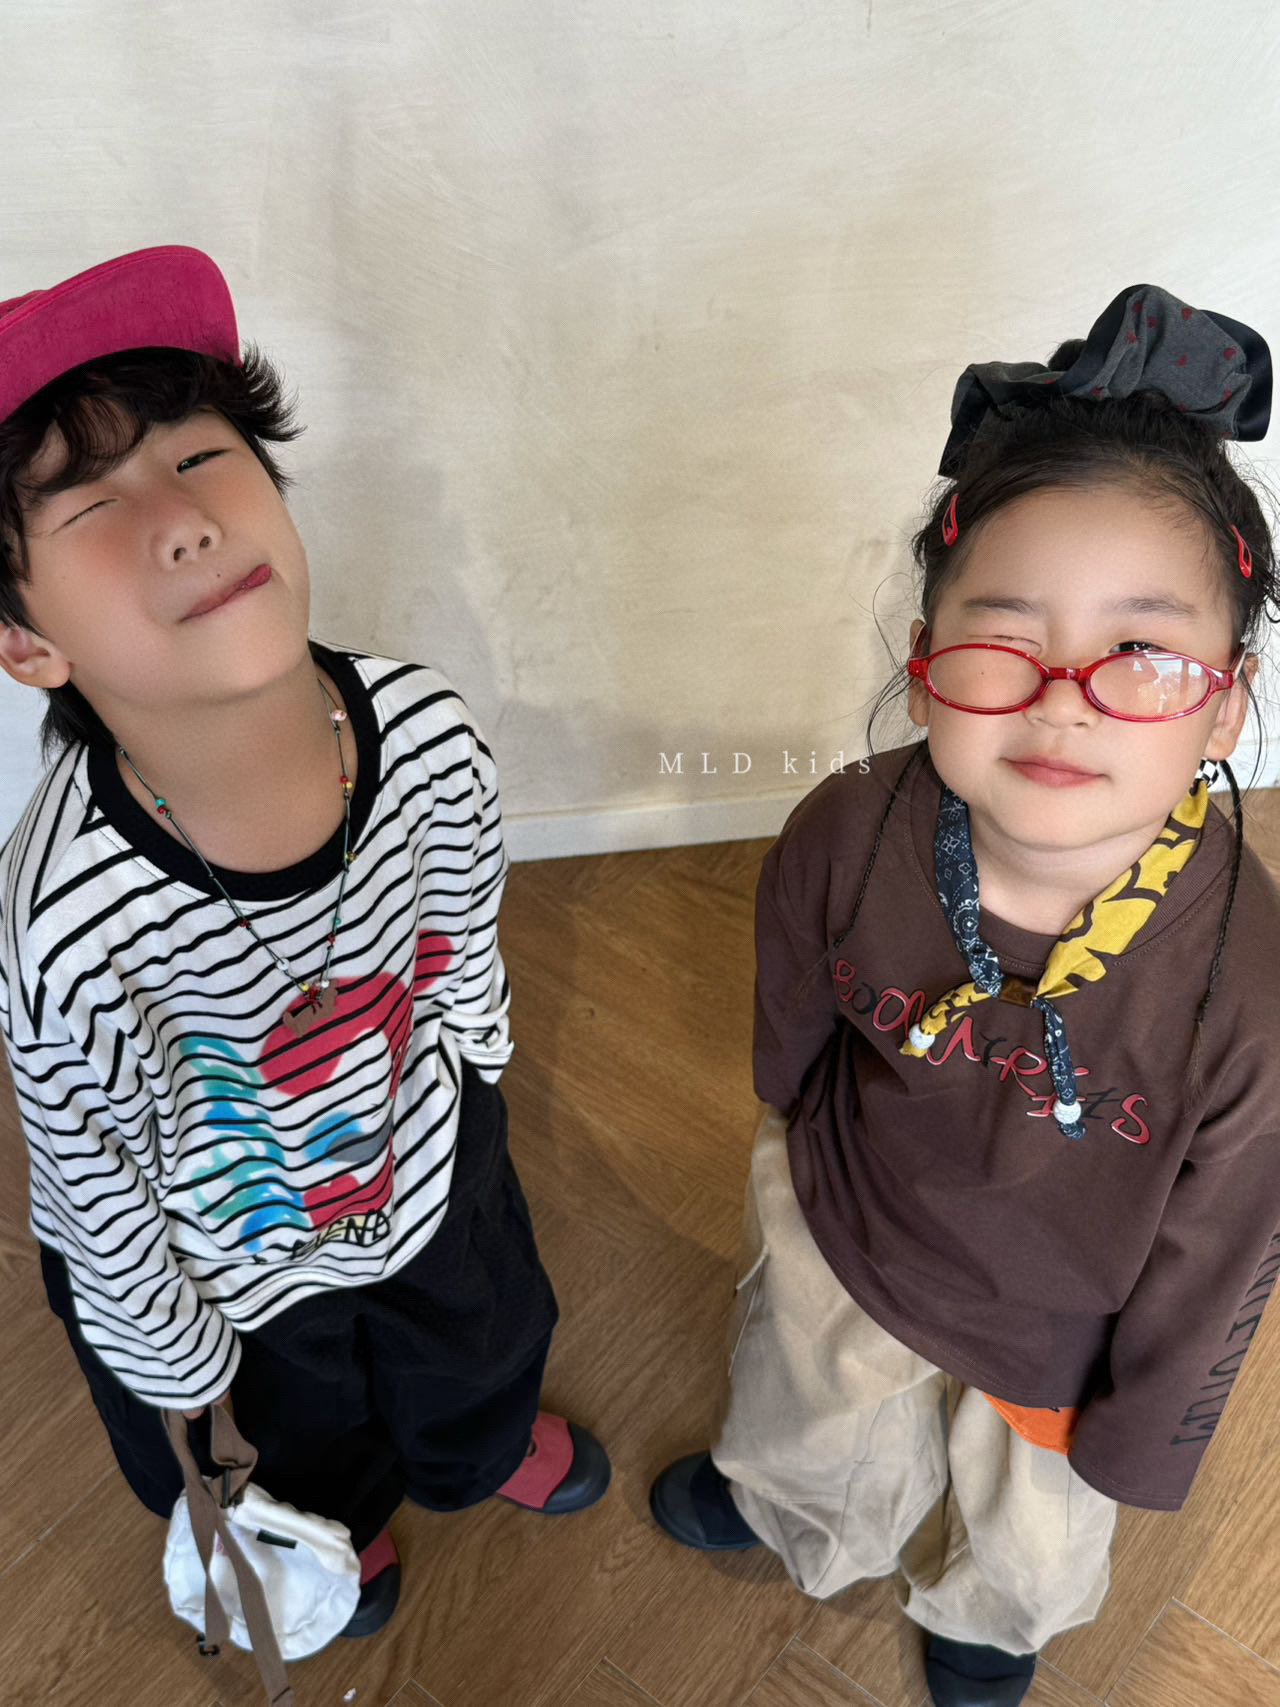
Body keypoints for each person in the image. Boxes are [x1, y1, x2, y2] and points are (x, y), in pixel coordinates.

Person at [649, 285, 1280, 1707]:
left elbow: (1226, 1258)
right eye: (1006, 637)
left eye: (1143, 654)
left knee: (1035, 1526)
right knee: (807, 1404)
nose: (1063, 696)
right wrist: (788, 1125)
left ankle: (992, 1619)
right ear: (925, 662)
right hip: (856, 1218)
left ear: (1227, 702)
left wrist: (1141, 1432)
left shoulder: (1253, 1001)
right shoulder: (850, 825)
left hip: (1068, 1329)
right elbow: (792, 1004)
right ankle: (797, 1507)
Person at [0, 246, 610, 1642]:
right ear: (27, 644)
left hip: (428, 1160)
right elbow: (95, 1192)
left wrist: (479, 1076)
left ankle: (472, 1447)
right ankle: (340, 1523)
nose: (183, 521)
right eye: (92, 505)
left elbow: (464, 932)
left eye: (202, 456)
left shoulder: (428, 732)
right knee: (302, 1433)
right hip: (235, 1267)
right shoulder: (65, 923)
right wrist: (181, 1375)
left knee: (485, 1339)